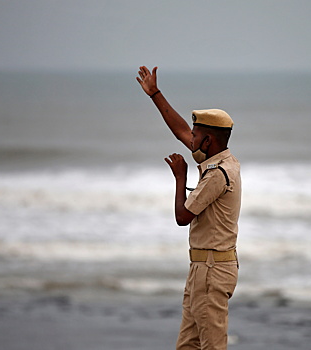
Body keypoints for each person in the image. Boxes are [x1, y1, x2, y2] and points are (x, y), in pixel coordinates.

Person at [136, 66, 241, 350]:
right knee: (187, 346)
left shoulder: (218, 174)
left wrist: (180, 177)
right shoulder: (217, 159)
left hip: (212, 270)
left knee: (211, 346)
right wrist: (155, 94)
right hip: (201, 267)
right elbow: (181, 130)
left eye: (197, 135)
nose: (190, 139)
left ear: (209, 141)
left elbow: (183, 217)